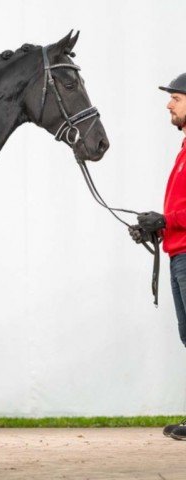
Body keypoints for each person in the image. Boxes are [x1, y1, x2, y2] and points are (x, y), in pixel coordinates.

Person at [130, 73, 186, 440]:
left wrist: (167, 219)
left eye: (176, 98)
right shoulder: (183, 151)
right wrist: (157, 228)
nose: (169, 104)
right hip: (178, 253)